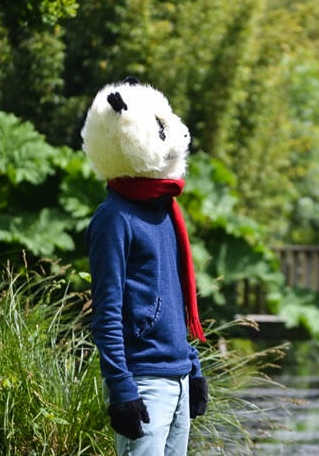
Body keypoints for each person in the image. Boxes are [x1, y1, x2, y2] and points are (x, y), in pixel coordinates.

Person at [82, 78, 209, 455]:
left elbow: (172, 300)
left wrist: (193, 366)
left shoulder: (165, 210)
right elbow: (106, 313)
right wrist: (121, 389)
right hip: (144, 381)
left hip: (178, 377)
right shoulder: (114, 218)